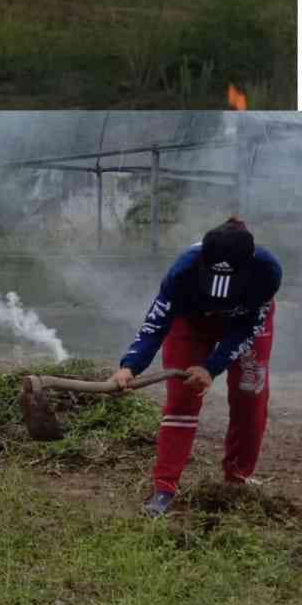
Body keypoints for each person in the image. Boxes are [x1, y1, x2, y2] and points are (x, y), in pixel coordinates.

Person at [111, 217, 281, 517]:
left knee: (250, 397)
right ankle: (164, 489)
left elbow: (246, 330)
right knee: (181, 401)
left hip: (243, 327)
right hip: (190, 324)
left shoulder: (267, 273)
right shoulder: (183, 271)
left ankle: (236, 479)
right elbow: (156, 324)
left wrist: (211, 367)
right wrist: (130, 366)